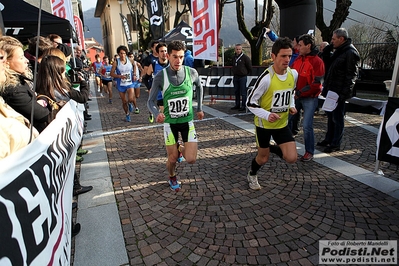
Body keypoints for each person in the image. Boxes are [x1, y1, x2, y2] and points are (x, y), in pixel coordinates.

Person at [147, 40, 204, 192]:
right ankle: (172, 176)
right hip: (170, 123)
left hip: (187, 121)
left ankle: (179, 147)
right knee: (172, 159)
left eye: (181, 57)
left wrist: (199, 108)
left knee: (191, 159)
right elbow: (150, 101)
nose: (178, 60)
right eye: (174, 57)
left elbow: (199, 86)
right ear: (168, 55)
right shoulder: (161, 76)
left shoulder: (191, 72)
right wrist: (156, 113)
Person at [246, 37, 298, 190]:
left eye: (289, 56)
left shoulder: (293, 74)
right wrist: (266, 115)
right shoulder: (266, 78)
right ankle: (252, 174)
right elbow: (250, 103)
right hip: (264, 125)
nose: (287, 59)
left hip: (281, 124)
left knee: (292, 158)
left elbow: (291, 92)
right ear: (273, 56)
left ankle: (271, 147)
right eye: (283, 56)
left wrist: (291, 105)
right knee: (263, 158)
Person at [317, 28, 360, 153]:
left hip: (339, 92)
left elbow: (351, 76)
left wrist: (343, 94)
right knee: (331, 116)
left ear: (342, 39)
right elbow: (328, 64)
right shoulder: (339, 51)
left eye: (334, 39)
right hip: (332, 90)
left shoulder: (350, 53)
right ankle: (329, 139)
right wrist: (327, 49)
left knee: (337, 118)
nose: (332, 41)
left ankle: (335, 143)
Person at [0, 36, 50, 133]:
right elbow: (42, 114)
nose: (26, 60)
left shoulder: (21, 81)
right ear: (7, 62)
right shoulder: (13, 89)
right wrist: (43, 99)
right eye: (21, 57)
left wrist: (41, 98)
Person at [290, 34, 325, 161]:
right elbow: (290, 75)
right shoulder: (298, 60)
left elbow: (317, 84)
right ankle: (286, 146)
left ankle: (309, 151)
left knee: (307, 125)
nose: (298, 47)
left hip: (309, 97)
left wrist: (300, 92)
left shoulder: (317, 62)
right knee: (287, 120)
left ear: (308, 46)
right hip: (297, 95)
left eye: (300, 45)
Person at [0, 48, 39, 159]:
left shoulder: (3, 103)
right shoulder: (13, 90)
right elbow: (40, 113)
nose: (4, 61)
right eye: (1, 57)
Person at [110, 45, 140, 122]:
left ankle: (130, 103)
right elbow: (111, 73)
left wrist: (134, 74)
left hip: (130, 82)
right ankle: (127, 114)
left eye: (124, 53)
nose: (122, 55)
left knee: (130, 98)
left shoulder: (130, 60)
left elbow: (134, 66)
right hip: (121, 84)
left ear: (126, 53)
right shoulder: (116, 62)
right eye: (121, 53)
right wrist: (119, 76)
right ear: (118, 54)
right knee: (124, 101)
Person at [144, 42, 169, 116]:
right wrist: (150, 88)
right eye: (161, 51)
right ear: (157, 53)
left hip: (171, 92)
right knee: (165, 114)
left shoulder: (172, 64)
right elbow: (146, 79)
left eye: (165, 51)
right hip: (160, 94)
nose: (164, 53)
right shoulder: (153, 65)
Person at [231, 43, 252, 111]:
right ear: (235, 50)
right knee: (236, 91)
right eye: (237, 49)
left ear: (241, 49)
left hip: (242, 77)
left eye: (239, 49)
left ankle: (243, 106)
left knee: (243, 92)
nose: (238, 51)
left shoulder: (245, 58)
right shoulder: (234, 57)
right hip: (236, 77)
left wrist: (245, 73)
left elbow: (249, 67)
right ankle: (237, 104)